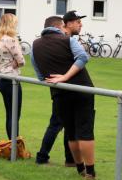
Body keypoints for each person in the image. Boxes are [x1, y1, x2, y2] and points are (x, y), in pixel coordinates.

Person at [31, 13, 96, 180]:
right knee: (85, 132)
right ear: (61, 26)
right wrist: (66, 76)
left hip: (59, 94)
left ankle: (80, 168)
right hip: (82, 90)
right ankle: (90, 172)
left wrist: (56, 79)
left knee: (72, 132)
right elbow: (83, 57)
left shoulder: (35, 46)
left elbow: (40, 76)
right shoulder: (68, 40)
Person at [36, 10, 86, 166]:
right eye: (78, 22)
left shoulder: (39, 44)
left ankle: (70, 159)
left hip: (59, 90)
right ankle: (42, 156)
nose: (81, 24)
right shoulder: (66, 41)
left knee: (66, 124)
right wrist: (63, 77)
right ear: (65, 25)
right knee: (57, 123)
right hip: (66, 90)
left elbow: (39, 72)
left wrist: (49, 78)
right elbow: (83, 58)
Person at [0, 14, 25, 139]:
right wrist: (17, 63)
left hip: (0, 79)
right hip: (11, 80)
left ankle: (12, 143)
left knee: (10, 114)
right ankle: (14, 145)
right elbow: (22, 61)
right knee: (15, 115)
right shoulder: (11, 40)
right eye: (15, 23)